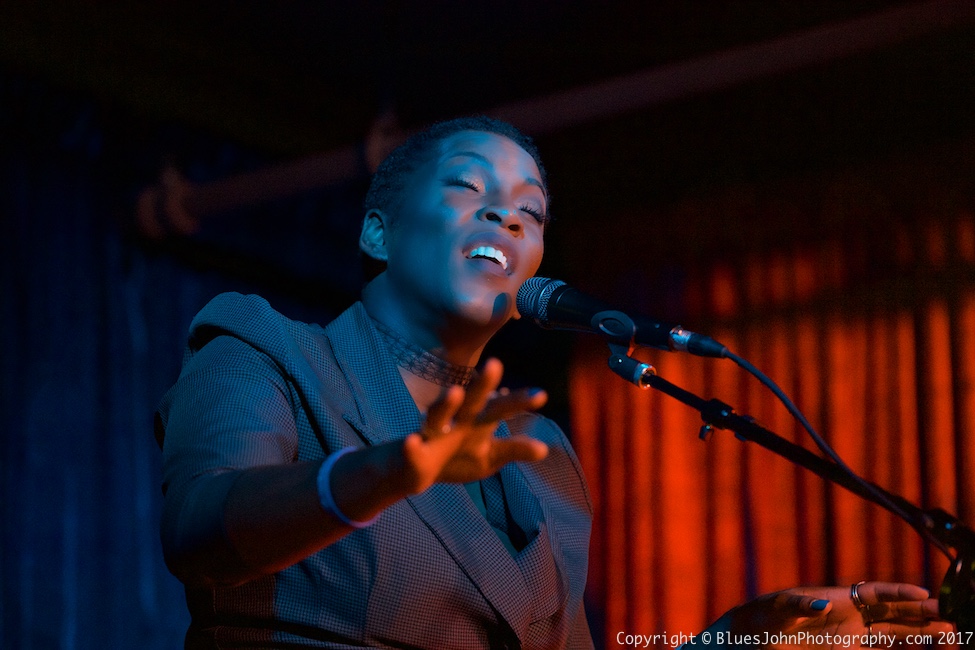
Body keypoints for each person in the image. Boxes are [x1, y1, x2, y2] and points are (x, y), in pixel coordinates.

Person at [156, 116, 951, 649]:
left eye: (528, 212)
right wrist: (395, 469)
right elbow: (201, 535)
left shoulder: (540, 458)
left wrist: (743, 633)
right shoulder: (268, 347)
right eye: (468, 190)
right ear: (378, 229)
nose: (505, 218)